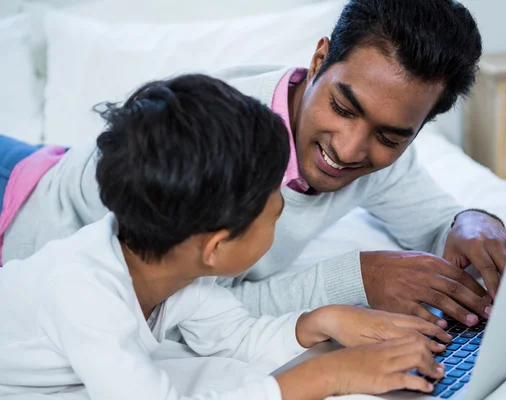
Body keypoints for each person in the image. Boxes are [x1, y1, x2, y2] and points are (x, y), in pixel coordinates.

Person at [0, 0, 506, 328]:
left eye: (390, 135)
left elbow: (432, 222)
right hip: (22, 206)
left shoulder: (383, 154)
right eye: (342, 106)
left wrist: (471, 221)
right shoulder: (218, 144)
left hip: (46, 160)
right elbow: (191, 312)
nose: (352, 149)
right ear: (317, 62)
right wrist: (357, 277)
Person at [0, 74, 453, 399]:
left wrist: (325, 320)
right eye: (274, 216)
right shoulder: (86, 296)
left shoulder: (177, 271)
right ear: (216, 247)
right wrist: (328, 376)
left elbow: (234, 336)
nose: (283, 219)